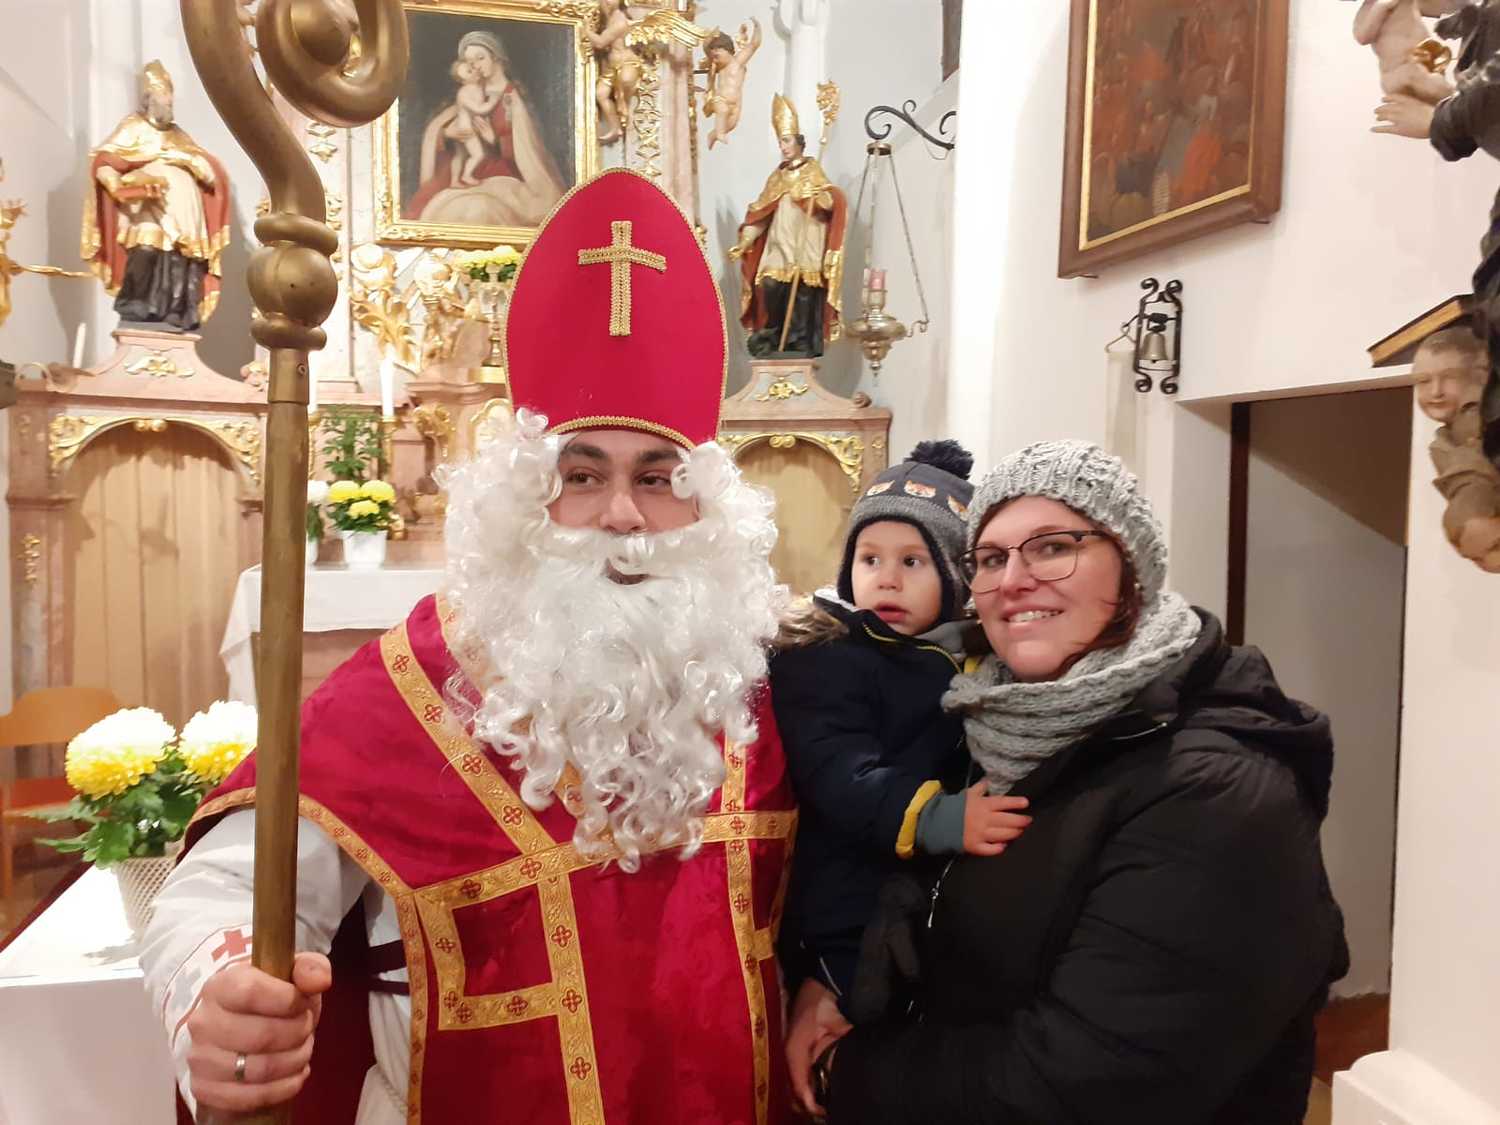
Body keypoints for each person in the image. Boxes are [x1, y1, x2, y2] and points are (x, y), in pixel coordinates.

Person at [141, 169, 797, 1124]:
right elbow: (228, 891)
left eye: (658, 477)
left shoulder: (752, 679)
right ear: (523, 503)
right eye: (582, 476)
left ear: (707, 506)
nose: (623, 515)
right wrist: (218, 988)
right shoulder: (409, 690)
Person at [814, 441, 1348, 1124]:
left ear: (1131, 567)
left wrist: (847, 1070)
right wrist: (834, 985)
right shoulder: (995, 718)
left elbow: (1090, 1083)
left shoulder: (1219, 790)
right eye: (991, 558)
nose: (1013, 580)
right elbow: (935, 895)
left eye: (1052, 547)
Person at [770, 441, 1033, 1114]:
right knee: (857, 997)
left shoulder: (955, 652)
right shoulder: (828, 656)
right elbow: (836, 769)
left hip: (916, 884)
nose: (886, 580)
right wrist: (939, 817)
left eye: (912, 562)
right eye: (869, 559)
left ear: (954, 576)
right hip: (845, 885)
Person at [81, 60, 232, 331]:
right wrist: (118, 185)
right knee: (145, 252)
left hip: (185, 214)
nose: (169, 102)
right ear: (148, 99)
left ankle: (177, 313)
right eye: (163, 95)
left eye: (170, 96)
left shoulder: (179, 136)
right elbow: (104, 161)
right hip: (147, 209)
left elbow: (210, 175)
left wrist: (186, 159)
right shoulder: (133, 127)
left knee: (181, 262)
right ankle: (137, 307)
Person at [407, 31, 566, 227]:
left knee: (480, 209)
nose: (475, 66)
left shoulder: (511, 99)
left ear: (496, 57)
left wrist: (494, 140)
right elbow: (438, 128)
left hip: (504, 174)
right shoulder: (470, 91)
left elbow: (526, 150)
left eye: (480, 58)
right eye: (470, 62)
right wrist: (447, 134)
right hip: (467, 173)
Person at [729, 94, 847, 358]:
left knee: (803, 292)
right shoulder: (777, 177)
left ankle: (798, 342)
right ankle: (774, 334)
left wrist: (822, 197)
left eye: (786, 140)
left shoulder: (812, 170)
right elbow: (760, 214)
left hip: (807, 243)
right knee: (769, 285)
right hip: (779, 245)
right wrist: (744, 243)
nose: (783, 147)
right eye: (780, 141)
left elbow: (831, 202)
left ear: (798, 141)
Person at [1413, 326, 1500, 569]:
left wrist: (1474, 520)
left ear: (1480, 375)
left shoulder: (1483, 423)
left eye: (1450, 377)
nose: (1435, 391)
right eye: (1423, 381)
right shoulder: (1443, 444)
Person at [702, 20, 762, 149]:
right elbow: (706, 49)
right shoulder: (717, 67)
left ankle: (712, 135)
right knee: (722, 110)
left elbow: (753, 45)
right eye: (712, 50)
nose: (714, 53)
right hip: (720, 100)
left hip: (736, 104)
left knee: (731, 124)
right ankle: (719, 134)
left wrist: (757, 27)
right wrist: (709, 38)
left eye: (718, 49)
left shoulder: (738, 62)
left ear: (728, 50)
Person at [445, 58, 502, 187]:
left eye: (472, 67)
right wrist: (493, 100)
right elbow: (479, 109)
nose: (474, 71)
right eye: (469, 71)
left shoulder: (478, 86)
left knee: (460, 155)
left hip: (468, 126)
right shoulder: (464, 93)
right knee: (478, 154)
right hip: (466, 129)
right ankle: (466, 176)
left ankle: (454, 181)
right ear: (463, 81)